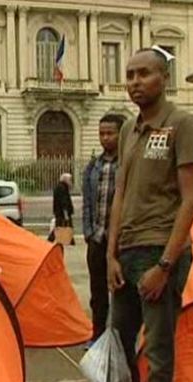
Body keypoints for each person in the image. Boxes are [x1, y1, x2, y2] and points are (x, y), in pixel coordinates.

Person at [106, 48, 193, 382]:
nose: (135, 82)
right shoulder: (129, 128)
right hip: (125, 254)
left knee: (159, 352)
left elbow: (191, 198)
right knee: (118, 345)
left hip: (159, 251)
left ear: (164, 78)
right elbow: (120, 194)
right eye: (130, 75)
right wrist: (110, 256)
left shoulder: (182, 124)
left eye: (144, 74)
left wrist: (165, 265)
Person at [82, 114, 124, 346]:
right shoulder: (93, 167)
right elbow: (87, 202)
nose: (105, 138)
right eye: (101, 133)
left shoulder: (126, 164)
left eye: (110, 133)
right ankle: (97, 335)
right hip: (97, 239)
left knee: (122, 292)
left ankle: (120, 337)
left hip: (120, 240)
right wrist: (88, 232)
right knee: (97, 293)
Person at [49, 173, 74, 243]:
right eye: (70, 180)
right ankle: (70, 240)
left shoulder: (60, 187)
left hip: (59, 212)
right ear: (66, 180)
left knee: (60, 226)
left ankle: (69, 240)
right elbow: (64, 201)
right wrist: (66, 213)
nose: (71, 182)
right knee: (64, 226)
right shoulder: (62, 188)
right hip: (62, 212)